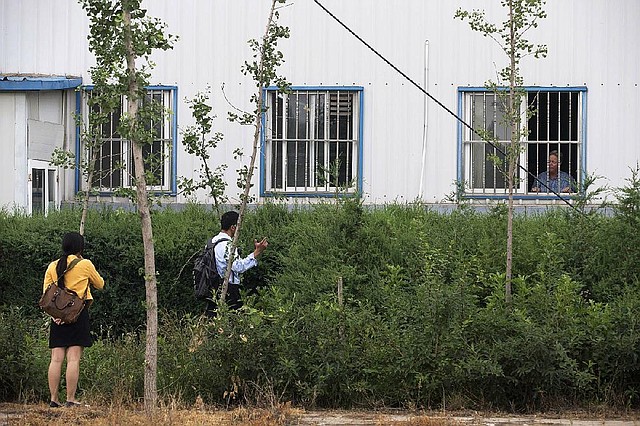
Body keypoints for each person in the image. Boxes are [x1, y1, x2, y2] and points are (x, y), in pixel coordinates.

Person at [43, 232, 104, 408]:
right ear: (80, 248)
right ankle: (70, 399)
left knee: (56, 358)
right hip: (77, 314)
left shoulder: (52, 266)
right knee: (74, 358)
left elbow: (46, 294)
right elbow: (100, 284)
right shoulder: (85, 264)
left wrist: (55, 315)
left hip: (57, 317)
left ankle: (54, 399)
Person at [205, 211, 268, 316]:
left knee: (214, 320)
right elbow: (238, 267)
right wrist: (257, 252)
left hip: (212, 288)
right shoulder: (228, 245)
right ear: (233, 227)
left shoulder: (212, 242)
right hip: (228, 289)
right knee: (233, 320)